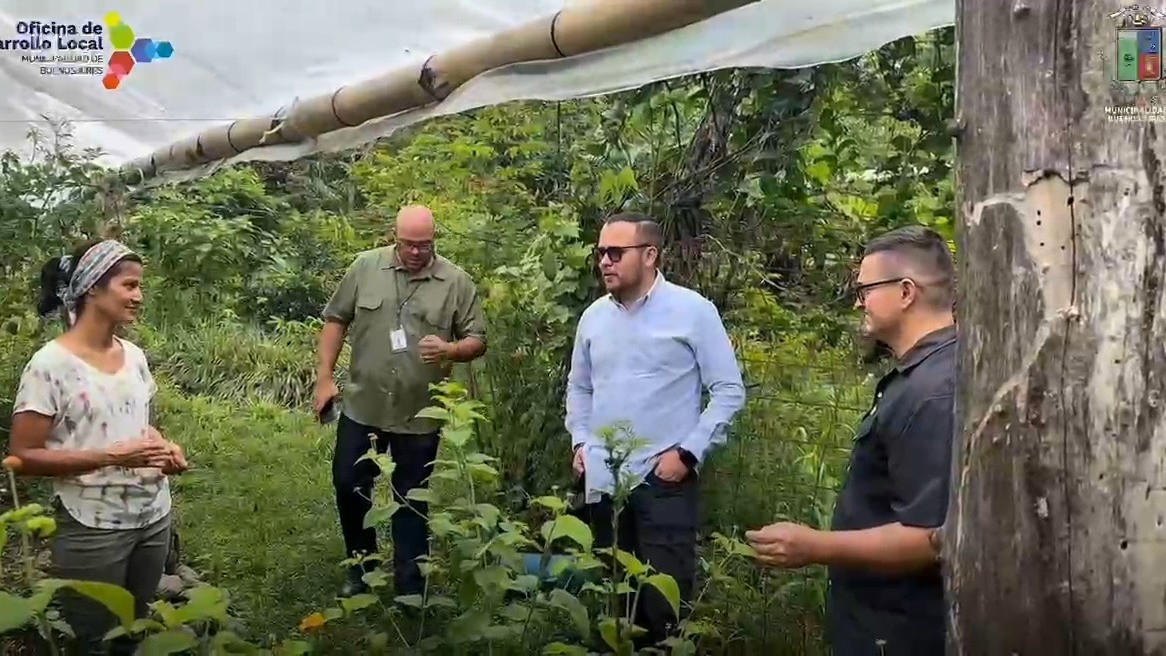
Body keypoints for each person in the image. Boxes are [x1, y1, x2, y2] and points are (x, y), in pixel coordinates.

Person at [745, 225, 957, 655]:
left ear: (905, 292)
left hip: (902, 629)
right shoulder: (922, 373)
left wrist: (814, 546)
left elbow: (931, 537)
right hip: (876, 615)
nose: (859, 301)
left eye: (865, 289)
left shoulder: (935, 390)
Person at [564, 211, 746, 647]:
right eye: (600, 252)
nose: (604, 261)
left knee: (663, 603)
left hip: (664, 480)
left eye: (615, 252)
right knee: (614, 598)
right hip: (606, 481)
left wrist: (687, 454)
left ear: (650, 255)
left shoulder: (692, 312)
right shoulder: (593, 318)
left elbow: (728, 390)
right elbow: (579, 387)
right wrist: (581, 441)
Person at [9, 238, 188, 654]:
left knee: (132, 628)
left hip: (152, 518)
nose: (139, 297)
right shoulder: (50, 366)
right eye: (129, 286)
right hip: (92, 527)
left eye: (139, 286)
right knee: (91, 640)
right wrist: (111, 457)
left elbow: (143, 426)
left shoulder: (135, 357)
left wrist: (166, 449)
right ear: (93, 288)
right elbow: (21, 457)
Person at [314, 205, 487, 598]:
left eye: (424, 245)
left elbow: (478, 339)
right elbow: (335, 319)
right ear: (395, 237)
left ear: (434, 241)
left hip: (419, 412)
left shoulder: (456, 282)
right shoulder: (364, 267)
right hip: (364, 404)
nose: (415, 252)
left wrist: (450, 349)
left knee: (411, 497)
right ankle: (363, 568)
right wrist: (324, 378)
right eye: (408, 244)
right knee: (348, 484)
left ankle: (411, 585)